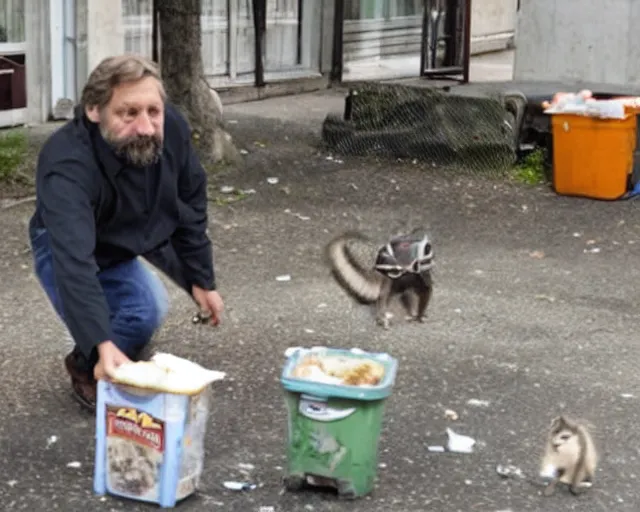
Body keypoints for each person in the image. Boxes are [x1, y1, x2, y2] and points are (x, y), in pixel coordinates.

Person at [28, 54, 224, 412]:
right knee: (133, 315)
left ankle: (109, 357)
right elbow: (74, 262)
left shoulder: (172, 128)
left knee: (146, 311)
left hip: (130, 224)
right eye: (128, 114)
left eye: (154, 111)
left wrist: (199, 278)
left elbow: (189, 204)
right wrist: (100, 343)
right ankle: (89, 366)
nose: (147, 127)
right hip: (65, 241)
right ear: (93, 109)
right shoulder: (65, 165)